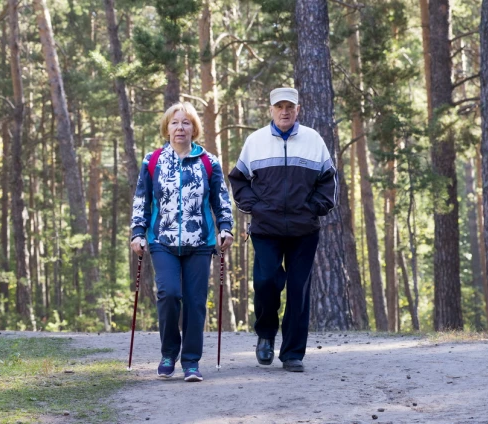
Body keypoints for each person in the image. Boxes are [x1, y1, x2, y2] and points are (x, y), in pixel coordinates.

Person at [228, 87, 337, 372]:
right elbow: (238, 179)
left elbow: (328, 181)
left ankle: (292, 353)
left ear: (298, 109)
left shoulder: (313, 140)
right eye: (280, 106)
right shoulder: (256, 141)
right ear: (271, 110)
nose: (285, 111)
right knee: (266, 282)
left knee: (298, 290)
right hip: (266, 228)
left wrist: (314, 207)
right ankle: (265, 335)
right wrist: (255, 206)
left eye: (290, 106)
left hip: (304, 230)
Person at [130, 102, 234, 382]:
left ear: (194, 129)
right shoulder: (152, 161)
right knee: (169, 294)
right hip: (161, 240)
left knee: (196, 301)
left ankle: (191, 361)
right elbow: (142, 200)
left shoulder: (208, 162)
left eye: (186, 123)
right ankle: (168, 353)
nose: (180, 128)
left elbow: (220, 199)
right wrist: (137, 232)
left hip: (200, 241)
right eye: (175, 123)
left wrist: (226, 228)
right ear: (167, 128)